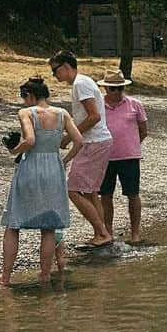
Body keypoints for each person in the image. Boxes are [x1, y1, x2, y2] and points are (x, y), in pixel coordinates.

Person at [0, 76, 84, 286]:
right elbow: (79, 140)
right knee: (48, 227)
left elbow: (30, 140)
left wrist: (14, 150)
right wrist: (65, 160)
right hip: (53, 167)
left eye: (24, 97)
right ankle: (45, 275)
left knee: (13, 224)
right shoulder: (62, 114)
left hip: (31, 167)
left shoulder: (26, 113)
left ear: (30, 95)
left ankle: (6, 277)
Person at [48, 49, 114, 247]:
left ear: (66, 66)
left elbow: (94, 116)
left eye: (55, 70)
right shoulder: (82, 82)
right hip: (96, 141)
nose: (54, 75)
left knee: (73, 189)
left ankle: (102, 234)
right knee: (90, 191)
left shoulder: (80, 84)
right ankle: (102, 233)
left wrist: (69, 137)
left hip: (94, 142)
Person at [98, 69, 148, 243]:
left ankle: (135, 233)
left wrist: (132, 145)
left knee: (133, 194)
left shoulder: (135, 104)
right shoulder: (98, 106)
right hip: (104, 157)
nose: (117, 92)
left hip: (129, 157)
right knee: (105, 195)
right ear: (105, 89)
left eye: (120, 88)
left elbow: (143, 129)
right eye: (113, 89)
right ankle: (108, 232)